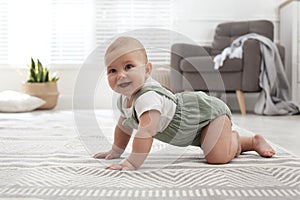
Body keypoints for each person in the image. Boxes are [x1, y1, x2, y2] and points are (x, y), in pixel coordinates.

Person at [93, 36, 275, 170]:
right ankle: (227, 139)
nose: (121, 75)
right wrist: (116, 151)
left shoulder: (147, 98)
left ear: (147, 69)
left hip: (209, 116)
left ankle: (247, 141)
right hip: (193, 129)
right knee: (210, 145)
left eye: (128, 67)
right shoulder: (123, 99)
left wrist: (131, 162)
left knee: (216, 157)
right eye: (112, 70)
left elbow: (145, 131)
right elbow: (124, 126)